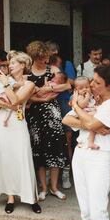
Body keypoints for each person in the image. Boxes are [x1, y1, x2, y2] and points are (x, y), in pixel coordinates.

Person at [62, 65, 110, 220]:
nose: (92, 84)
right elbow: (66, 120)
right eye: (93, 79)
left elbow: (88, 122)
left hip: (99, 158)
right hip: (80, 154)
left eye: (98, 82)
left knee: (98, 212)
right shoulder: (90, 99)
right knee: (85, 210)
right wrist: (92, 124)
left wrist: (76, 107)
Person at [0, 51, 41, 214]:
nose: (9, 65)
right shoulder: (1, 79)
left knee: (23, 157)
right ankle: (10, 197)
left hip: (18, 122)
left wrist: (6, 89)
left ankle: (31, 197)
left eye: (13, 63)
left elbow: (17, 100)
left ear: (23, 65)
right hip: (3, 124)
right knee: (7, 158)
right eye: (9, 63)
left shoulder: (29, 84)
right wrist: (9, 104)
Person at [26, 40, 71, 201]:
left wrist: (47, 89)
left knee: (55, 149)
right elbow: (26, 97)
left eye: (45, 57)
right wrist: (41, 100)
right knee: (39, 150)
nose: (44, 61)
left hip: (52, 114)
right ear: (33, 57)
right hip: (35, 115)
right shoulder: (27, 71)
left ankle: (54, 187)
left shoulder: (52, 69)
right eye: (40, 58)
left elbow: (67, 86)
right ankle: (43, 188)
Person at [46, 42, 76, 189]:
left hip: (63, 104)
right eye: (50, 51)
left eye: (54, 50)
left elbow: (71, 83)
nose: (53, 53)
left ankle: (65, 173)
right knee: (50, 140)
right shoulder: (44, 66)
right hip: (48, 105)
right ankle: (48, 174)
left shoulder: (66, 64)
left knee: (67, 141)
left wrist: (57, 76)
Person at [72, 76, 98, 150]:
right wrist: (87, 97)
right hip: (84, 113)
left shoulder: (90, 95)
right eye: (81, 88)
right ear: (76, 90)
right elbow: (82, 105)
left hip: (90, 113)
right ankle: (90, 142)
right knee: (92, 127)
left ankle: (90, 142)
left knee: (93, 128)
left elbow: (94, 101)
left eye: (87, 87)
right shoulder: (80, 96)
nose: (84, 89)